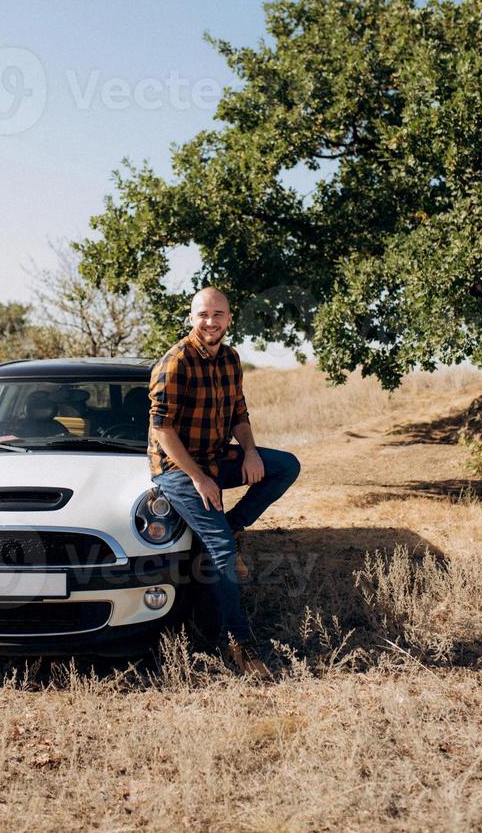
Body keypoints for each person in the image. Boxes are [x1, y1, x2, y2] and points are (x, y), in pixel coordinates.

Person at [148, 286, 301, 679]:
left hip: (217, 457)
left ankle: (232, 526)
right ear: (191, 317)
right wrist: (198, 478)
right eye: (203, 314)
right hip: (177, 468)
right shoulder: (175, 362)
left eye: (218, 314)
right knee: (217, 548)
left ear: (229, 319)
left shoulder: (231, 359)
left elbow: (239, 413)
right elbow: (162, 430)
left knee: (284, 465)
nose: (210, 321)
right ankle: (240, 642)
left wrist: (249, 452)